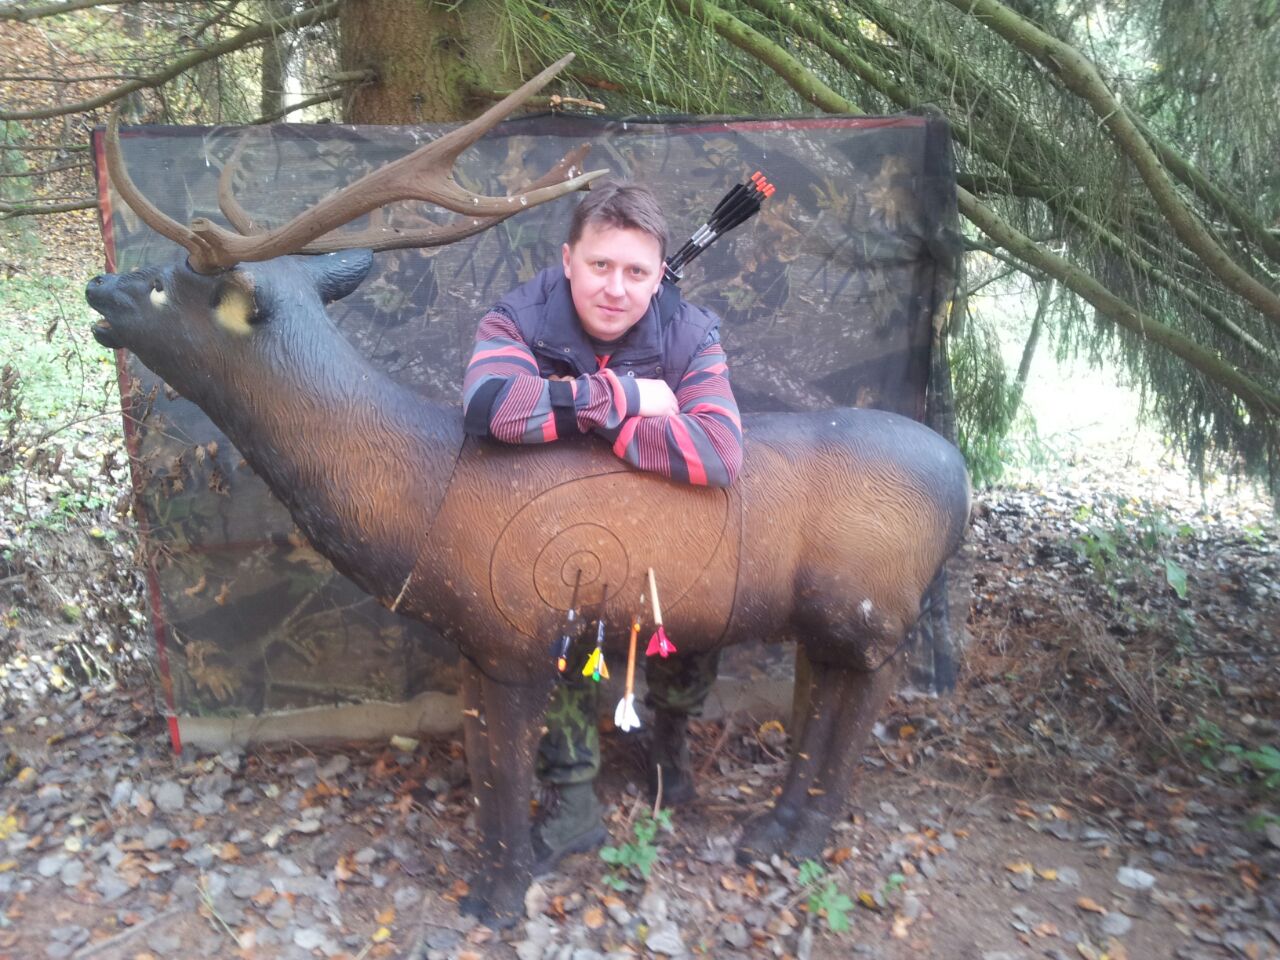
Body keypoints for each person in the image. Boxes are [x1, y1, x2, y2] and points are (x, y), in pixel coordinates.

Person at [461, 182, 743, 871]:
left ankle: (668, 746)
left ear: (658, 275)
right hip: (557, 544)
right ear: (568, 260)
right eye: (599, 265)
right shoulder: (519, 318)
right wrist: (625, 398)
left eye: (636, 272)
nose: (616, 289)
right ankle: (573, 801)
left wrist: (584, 424)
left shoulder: (689, 331)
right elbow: (491, 409)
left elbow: (719, 452)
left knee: (697, 615)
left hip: (661, 541)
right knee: (556, 640)